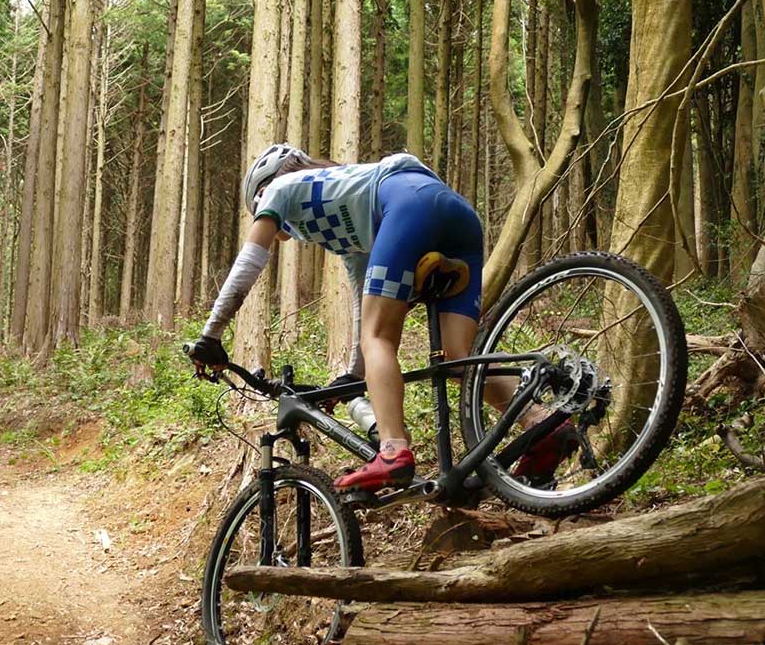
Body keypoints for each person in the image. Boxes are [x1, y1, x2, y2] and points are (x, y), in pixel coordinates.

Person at [187, 144, 575, 491]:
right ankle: (542, 424)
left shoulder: (281, 188)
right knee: (458, 359)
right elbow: (363, 302)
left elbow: (251, 259)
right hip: (455, 215)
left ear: (262, 190)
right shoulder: (347, 209)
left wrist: (211, 333)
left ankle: (392, 450)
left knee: (380, 339)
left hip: (406, 206)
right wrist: (354, 376)